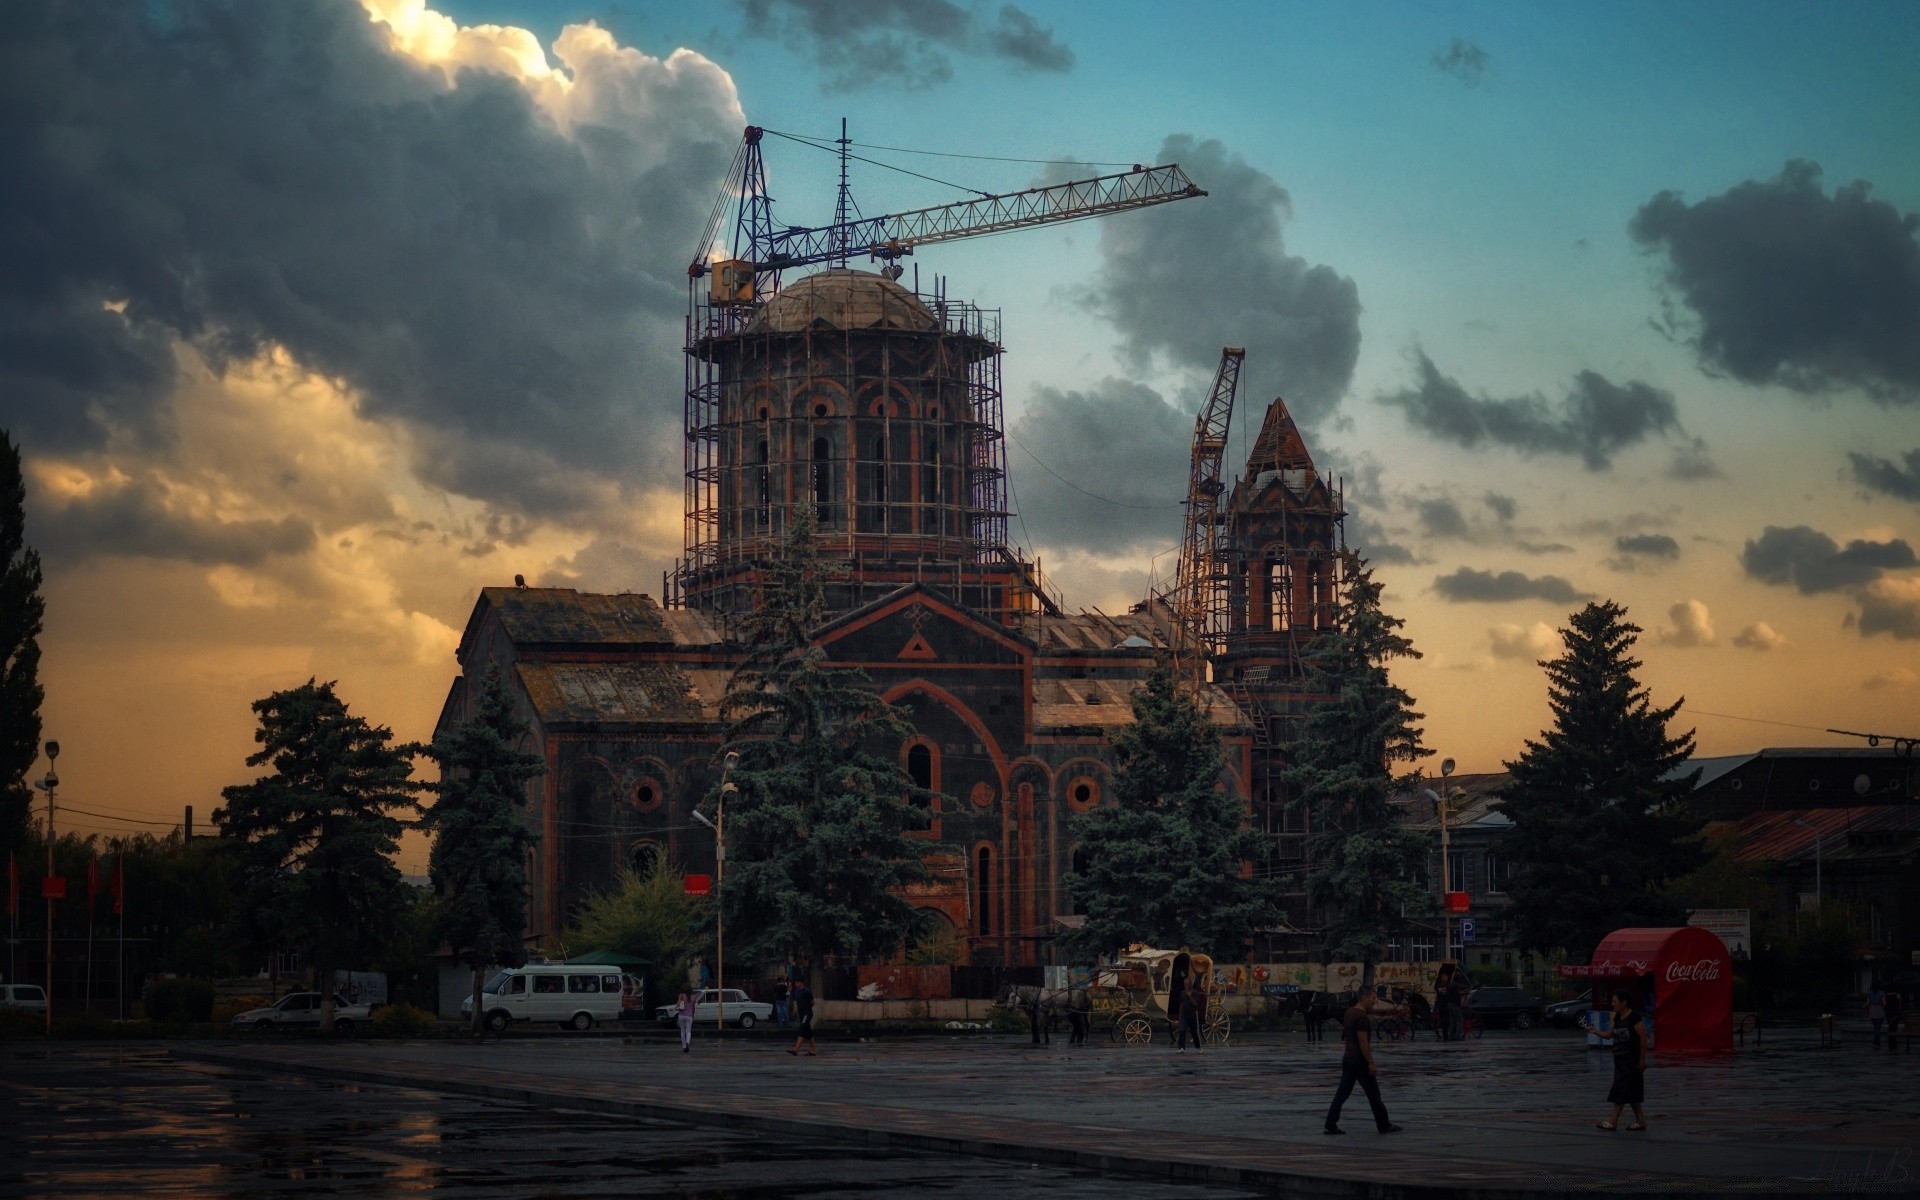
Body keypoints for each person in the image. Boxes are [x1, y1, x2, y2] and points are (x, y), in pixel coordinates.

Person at [1324, 984, 1403, 1135]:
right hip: (1359, 1061)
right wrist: (1371, 1063)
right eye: (1373, 998)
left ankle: (1330, 1124)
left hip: (1348, 1058)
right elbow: (1363, 1042)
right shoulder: (1361, 1017)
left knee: (1342, 1094)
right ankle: (1384, 1125)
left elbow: (1346, 1036)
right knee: (1374, 1094)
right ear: (1365, 997)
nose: (1375, 1001)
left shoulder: (1349, 1012)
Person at [1591, 989, 1648, 1131]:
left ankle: (1613, 1121)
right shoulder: (1617, 1018)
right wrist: (1595, 1031)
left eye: (1615, 1002)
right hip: (1620, 1060)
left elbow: (1643, 1039)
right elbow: (1609, 1034)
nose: (1612, 1004)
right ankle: (1641, 1122)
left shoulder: (1634, 1018)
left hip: (1632, 1061)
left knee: (1620, 1090)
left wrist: (1642, 1060)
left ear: (1624, 1003)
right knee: (1632, 1093)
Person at [788, 977, 817, 1056]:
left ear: (802, 983)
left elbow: (812, 1002)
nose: (796, 984)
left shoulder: (807, 991)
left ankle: (796, 1049)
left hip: (807, 1014)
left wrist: (807, 1007)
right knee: (808, 1033)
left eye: (797, 982)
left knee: (802, 1029)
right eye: (796, 982)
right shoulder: (796, 991)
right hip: (801, 1014)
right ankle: (813, 1050)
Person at [1177, 974, 1206, 1051]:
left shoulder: (1195, 992)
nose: (1186, 985)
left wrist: (1190, 996)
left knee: (1194, 1032)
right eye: (1185, 984)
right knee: (1182, 1030)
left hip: (1192, 1014)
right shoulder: (1182, 993)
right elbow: (1181, 1004)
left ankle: (1198, 1047)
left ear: (1190, 984)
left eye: (1187, 984)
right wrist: (1179, 1017)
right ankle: (1181, 1047)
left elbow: (1195, 1003)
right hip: (1184, 1014)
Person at [675, 989, 695, 1053]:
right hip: (689, 1016)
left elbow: (678, 1005)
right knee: (688, 1031)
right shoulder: (693, 997)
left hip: (681, 1015)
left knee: (682, 1031)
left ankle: (684, 1046)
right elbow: (693, 1008)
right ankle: (687, 1043)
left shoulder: (681, 995)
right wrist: (693, 1015)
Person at [1887, 988, 1905, 1056]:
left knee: (1891, 1028)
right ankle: (1893, 1044)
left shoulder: (1886, 995)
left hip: (1889, 1014)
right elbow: (1900, 1004)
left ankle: (1892, 1044)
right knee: (1893, 1028)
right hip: (1895, 1014)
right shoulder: (1897, 995)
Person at [1868, 983, 1887, 1050]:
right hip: (1879, 1010)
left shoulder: (1870, 993)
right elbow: (1884, 1003)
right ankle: (1875, 1041)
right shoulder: (1881, 993)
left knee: (1875, 1027)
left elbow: (1868, 1003)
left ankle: (1878, 1043)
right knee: (1878, 1028)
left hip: (1872, 1010)